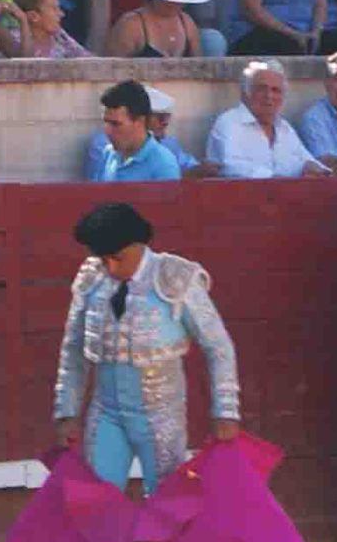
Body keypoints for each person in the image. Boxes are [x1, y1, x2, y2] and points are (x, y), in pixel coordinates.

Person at [51, 200, 239, 494]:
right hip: (106, 412)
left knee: (166, 507)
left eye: (117, 257)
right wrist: (67, 413)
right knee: (96, 504)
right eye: (103, 260)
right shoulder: (91, 279)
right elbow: (73, 350)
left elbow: (218, 347)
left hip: (161, 415)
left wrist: (226, 411)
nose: (110, 267)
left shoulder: (175, 278)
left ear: (139, 245)